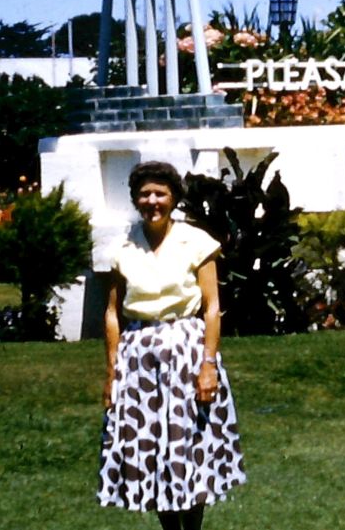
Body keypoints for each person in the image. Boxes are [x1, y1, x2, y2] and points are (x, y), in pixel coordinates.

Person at [99, 161, 244, 528]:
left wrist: (208, 364)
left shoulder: (196, 241)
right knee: (152, 450)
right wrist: (113, 372)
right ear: (135, 199)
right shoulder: (122, 247)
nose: (152, 201)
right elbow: (113, 313)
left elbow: (212, 308)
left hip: (187, 353)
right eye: (144, 194)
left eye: (160, 194)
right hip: (139, 358)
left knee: (188, 446)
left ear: (173, 198)